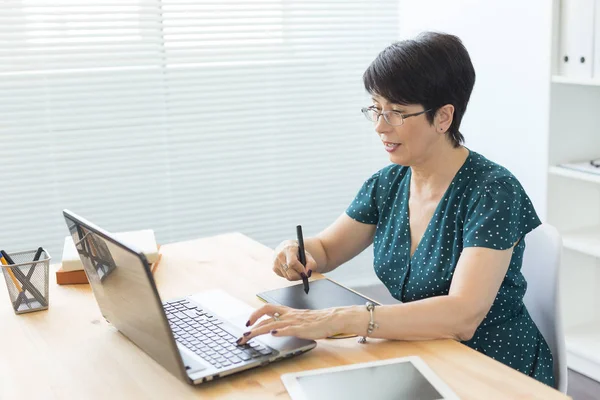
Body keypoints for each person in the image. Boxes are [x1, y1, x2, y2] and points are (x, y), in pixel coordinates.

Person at [236, 32, 555, 387]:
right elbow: (325, 249)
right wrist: (296, 252)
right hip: (422, 353)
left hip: (493, 368)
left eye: (397, 113)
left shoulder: (492, 191)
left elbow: (462, 316)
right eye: (376, 108)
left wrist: (345, 319)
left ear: (444, 117)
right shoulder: (389, 182)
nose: (380, 126)